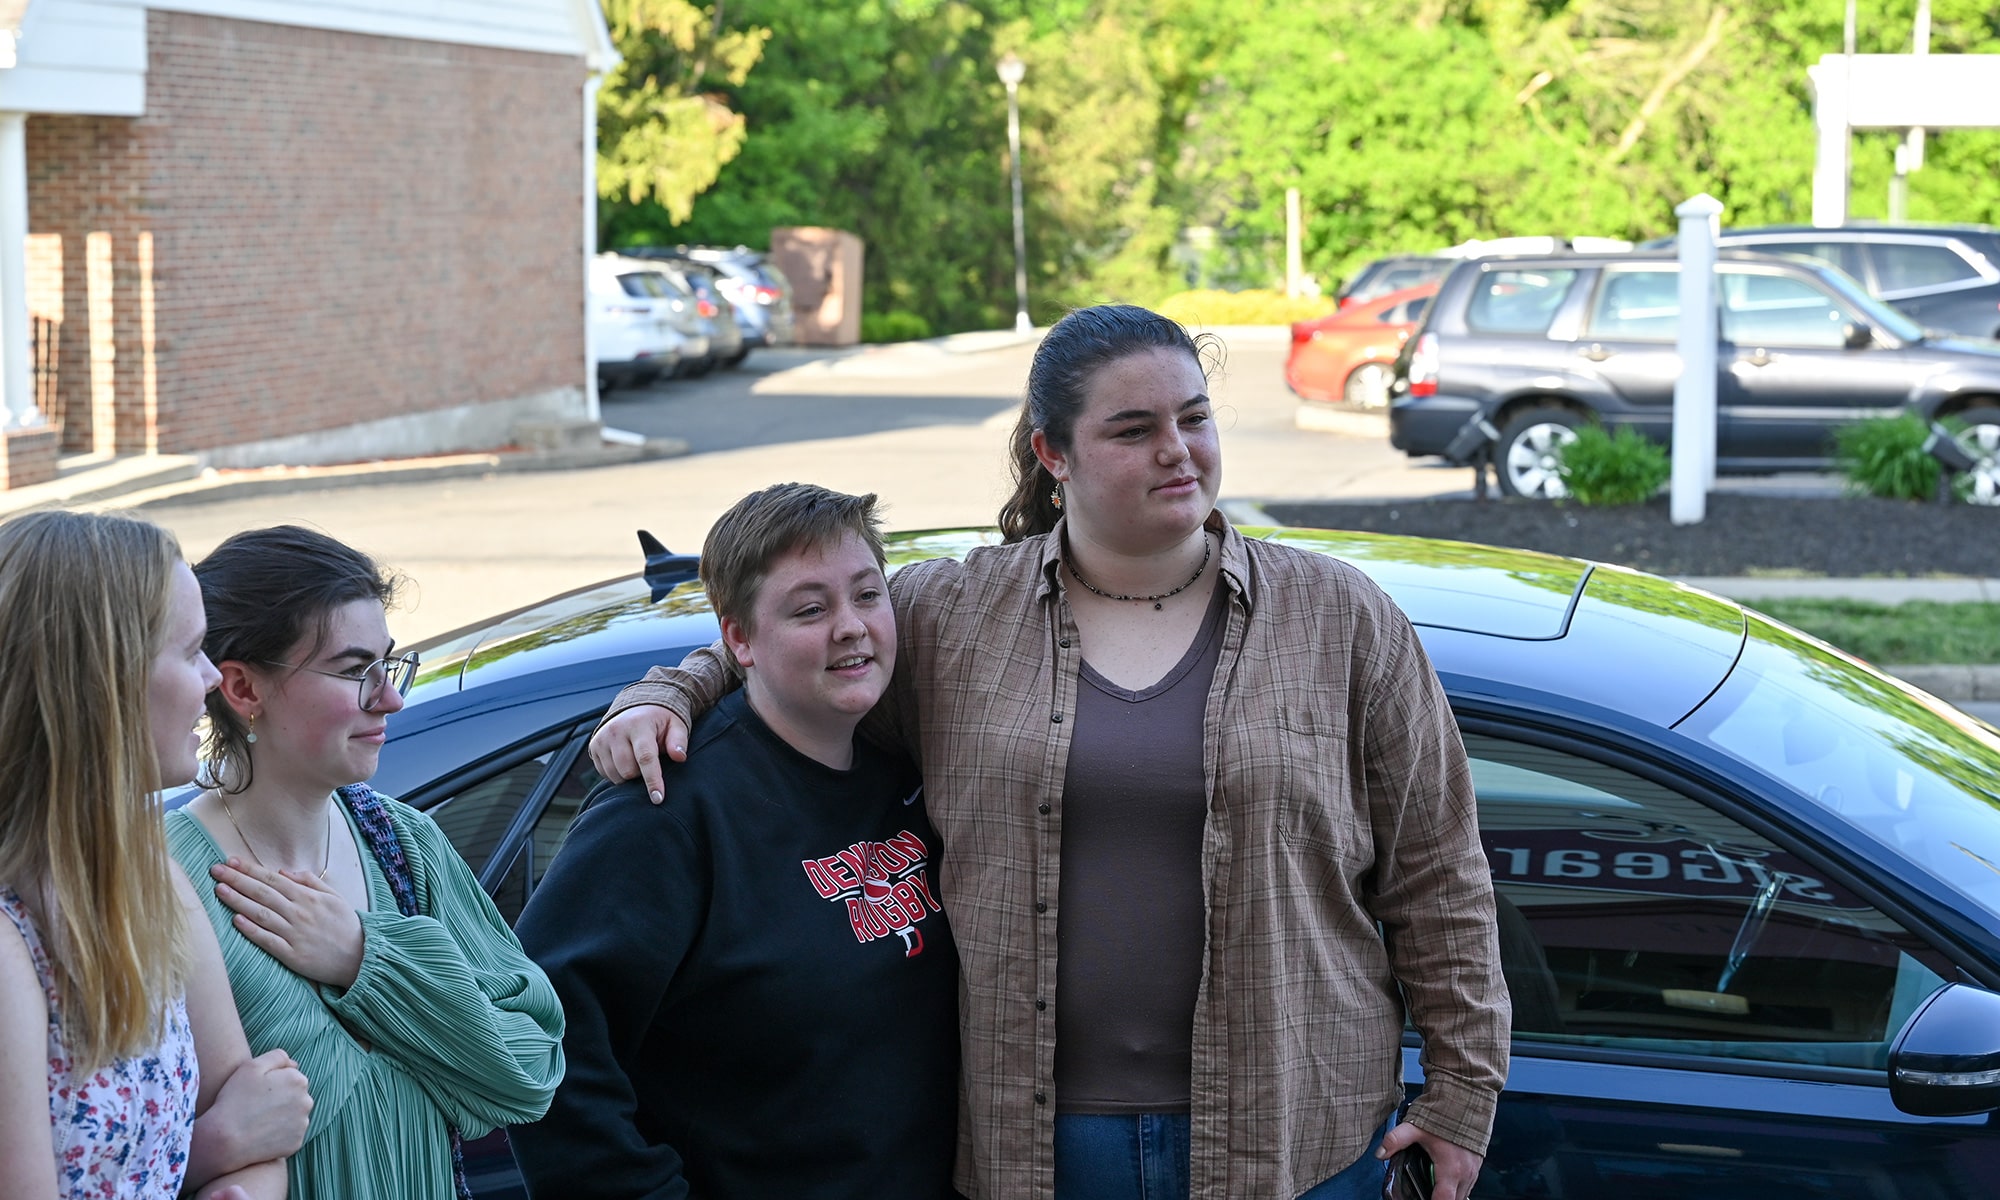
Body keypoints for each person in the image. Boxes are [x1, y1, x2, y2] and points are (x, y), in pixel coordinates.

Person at [590, 305, 1512, 1200]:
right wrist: (669, 693)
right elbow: (798, 641)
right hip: (1035, 1150)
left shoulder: (1338, 617)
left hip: (1297, 1138)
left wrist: (1463, 1094)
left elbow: (1438, 870)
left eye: (1194, 418)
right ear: (1052, 454)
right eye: (1133, 428)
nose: (1176, 449)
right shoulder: (955, 618)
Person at [510, 483, 959, 1198]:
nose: (851, 626)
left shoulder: (913, 771)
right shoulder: (665, 811)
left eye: (867, 595)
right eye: (811, 609)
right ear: (739, 639)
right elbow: (542, 1035)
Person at [165, 525, 565, 1199]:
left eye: (388, 665)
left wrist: (366, 958)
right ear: (241, 687)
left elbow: (532, 1072)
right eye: (354, 672)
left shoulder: (405, 846)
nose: (391, 699)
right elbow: (102, 1151)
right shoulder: (165, 881)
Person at [0, 509, 310, 1200]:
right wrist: (220, 1145)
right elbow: (241, 1130)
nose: (210, 677)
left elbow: (265, 1121)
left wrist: (236, 1165)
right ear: (101, 682)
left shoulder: (149, 881)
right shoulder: (8, 941)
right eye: (191, 649)